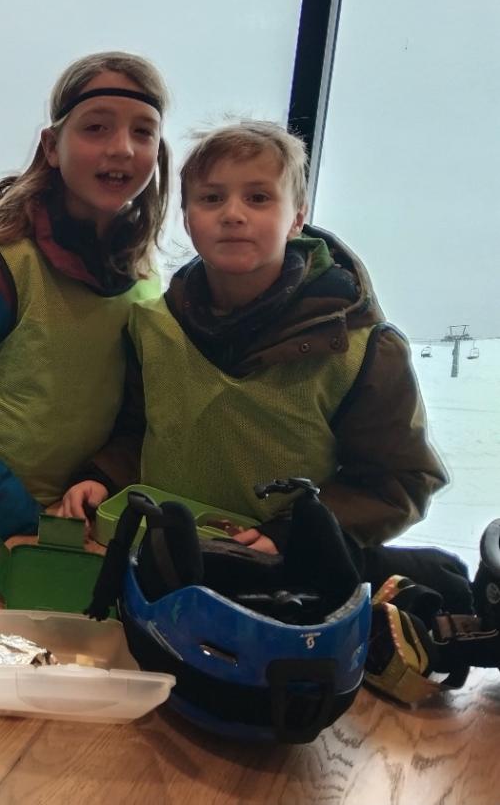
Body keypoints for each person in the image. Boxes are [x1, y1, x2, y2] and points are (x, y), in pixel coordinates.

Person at [59, 120, 465, 607]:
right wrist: (102, 478)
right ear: (186, 217)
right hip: (161, 572)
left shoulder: (361, 350)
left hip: (282, 588)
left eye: (258, 198)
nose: (233, 214)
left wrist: (295, 532)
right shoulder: (153, 328)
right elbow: (138, 431)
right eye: (211, 198)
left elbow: (399, 480)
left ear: (297, 219)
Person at [0, 52, 172, 602]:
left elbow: (137, 413)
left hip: (71, 532)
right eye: (96, 127)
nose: (121, 148)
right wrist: (17, 521)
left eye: (143, 132)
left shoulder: (144, 281)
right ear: (51, 147)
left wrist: (100, 481)